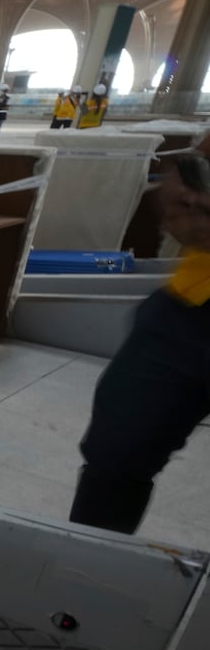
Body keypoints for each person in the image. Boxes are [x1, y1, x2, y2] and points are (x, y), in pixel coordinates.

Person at [69, 152, 210, 534]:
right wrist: (196, 167)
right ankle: (88, 559)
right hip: (196, 296)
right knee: (117, 447)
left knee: (119, 450)